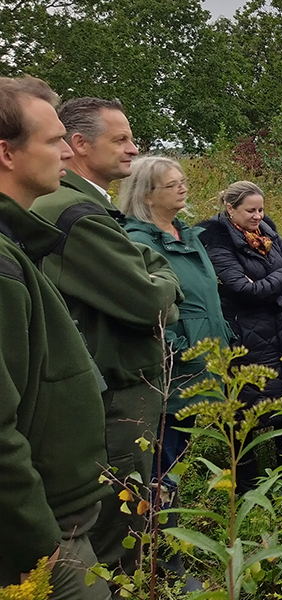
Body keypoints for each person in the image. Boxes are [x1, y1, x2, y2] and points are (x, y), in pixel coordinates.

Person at [30, 97, 182, 575]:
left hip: (111, 385)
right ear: (78, 144)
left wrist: (152, 272)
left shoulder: (91, 207)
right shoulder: (76, 212)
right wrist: (162, 278)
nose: (133, 149)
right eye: (120, 139)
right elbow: (151, 301)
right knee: (124, 524)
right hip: (116, 394)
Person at [0, 76, 112, 598]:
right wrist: (34, 544)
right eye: (53, 140)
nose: (69, 151)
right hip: (44, 534)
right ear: (6, 152)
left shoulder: (15, 245)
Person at [118, 157, 233, 483]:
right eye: (172, 184)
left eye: (182, 180)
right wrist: (179, 348)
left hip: (200, 362)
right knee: (162, 462)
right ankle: (159, 527)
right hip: (170, 370)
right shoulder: (136, 242)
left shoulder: (188, 234)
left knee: (176, 456)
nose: (183, 187)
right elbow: (140, 309)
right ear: (146, 195)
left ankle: (165, 525)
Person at [198, 181, 282, 493]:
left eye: (261, 209)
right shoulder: (216, 240)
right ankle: (247, 485)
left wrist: (272, 296)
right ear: (231, 209)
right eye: (250, 210)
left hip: (281, 330)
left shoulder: (266, 231)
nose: (258, 215)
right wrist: (280, 277)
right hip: (245, 337)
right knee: (247, 406)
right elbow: (243, 288)